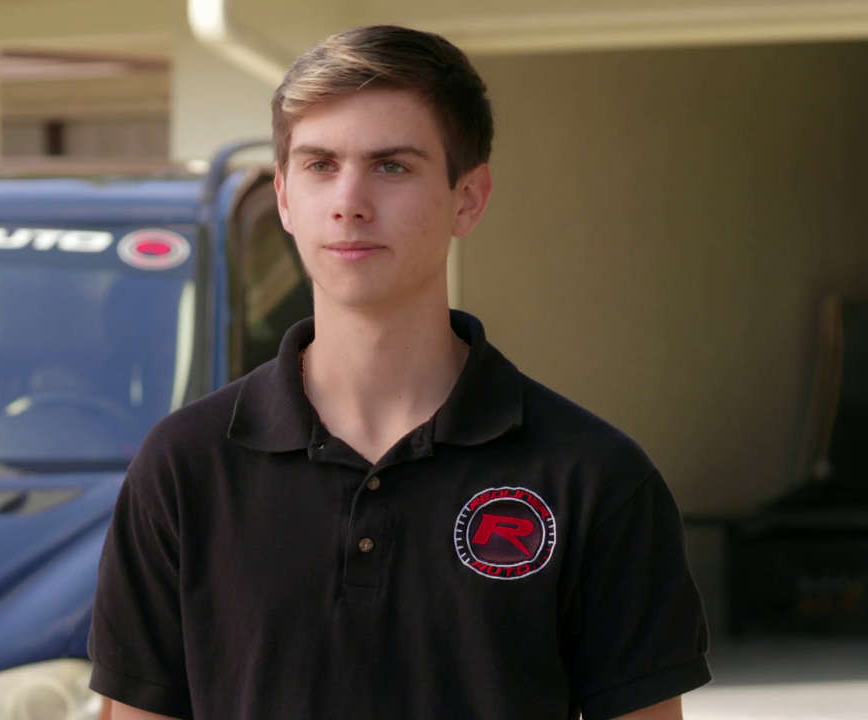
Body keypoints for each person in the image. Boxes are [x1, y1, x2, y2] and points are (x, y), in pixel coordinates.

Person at [88, 25, 710, 720]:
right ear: (285, 198)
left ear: (468, 198)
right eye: (320, 165)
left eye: (391, 166)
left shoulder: (594, 476)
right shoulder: (184, 469)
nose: (349, 201)